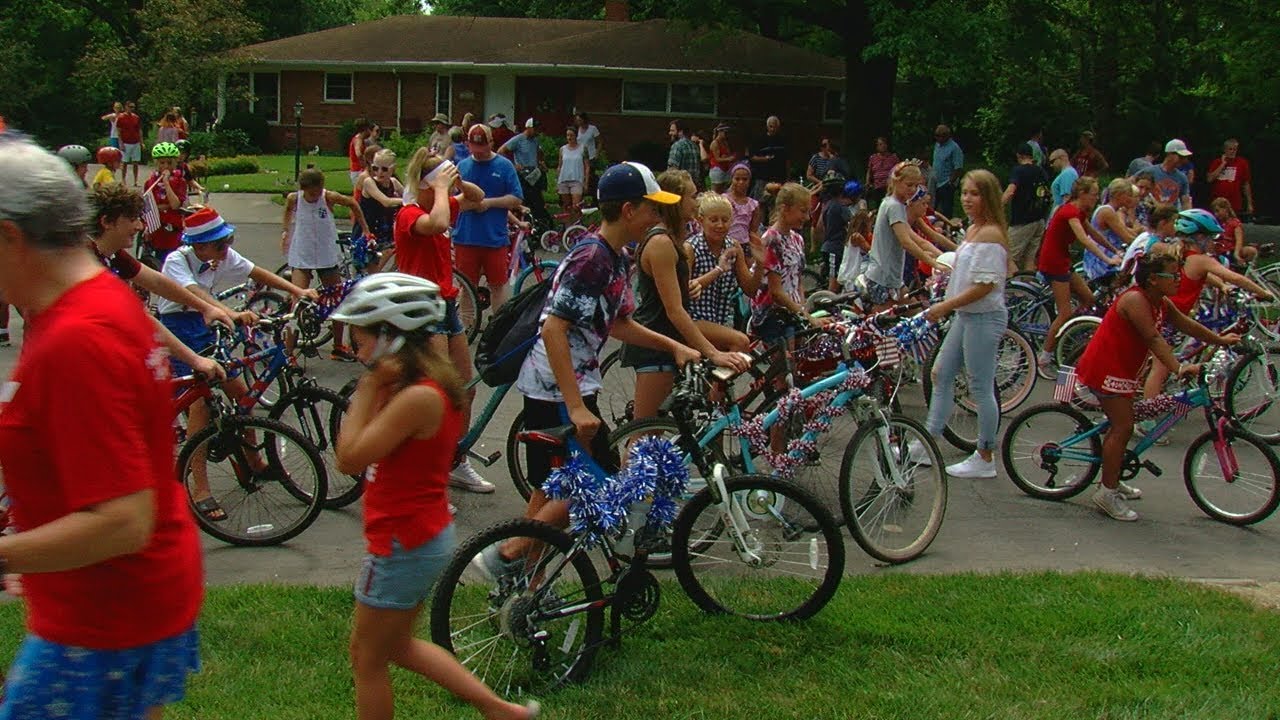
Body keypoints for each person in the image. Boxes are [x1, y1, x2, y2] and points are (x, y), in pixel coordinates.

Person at [0, 134, 204, 718]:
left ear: (10, 237)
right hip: (125, 603)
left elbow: (120, 522)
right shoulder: (93, 302)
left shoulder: (77, 336)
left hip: (103, 621)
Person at [329, 274, 540, 720]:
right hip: (417, 534)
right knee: (398, 646)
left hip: (403, 541)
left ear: (391, 338)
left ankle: (498, 708)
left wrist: (368, 386)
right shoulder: (419, 387)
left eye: (362, 337)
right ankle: (499, 709)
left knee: (366, 658)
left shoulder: (418, 398)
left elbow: (348, 458)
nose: (355, 349)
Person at [478, 163, 699, 574]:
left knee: (551, 487)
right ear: (629, 210)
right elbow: (554, 330)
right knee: (596, 480)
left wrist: (676, 346)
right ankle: (506, 555)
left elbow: (618, 323)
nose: (658, 216)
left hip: (572, 383)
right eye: (653, 208)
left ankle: (525, 584)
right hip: (555, 388)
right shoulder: (592, 258)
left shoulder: (617, 257)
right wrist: (576, 406)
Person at [159, 207, 318, 519]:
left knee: (242, 394)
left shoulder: (219, 256)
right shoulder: (177, 261)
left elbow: (254, 271)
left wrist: (297, 290)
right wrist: (227, 312)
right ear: (198, 246)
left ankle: (254, 462)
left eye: (227, 242)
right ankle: (199, 486)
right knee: (200, 406)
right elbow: (193, 294)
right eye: (219, 244)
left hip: (205, 324)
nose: (226, 249)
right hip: (179, 328)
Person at [1075, 251, 1240, 521]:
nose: (1179, 279)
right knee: (1123, 426)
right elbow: (1153, 338)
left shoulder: (1159, 301)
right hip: (1105, 369)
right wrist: (1178, 367)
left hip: (1123, 371)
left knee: (1124, 421)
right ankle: (1106, 492)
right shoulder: (1135, 300)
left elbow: (1186, 324)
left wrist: (1219, 340)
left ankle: (1112, 475)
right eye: (1173, 275)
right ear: (1153, 279)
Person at [394, 150, 494, 494]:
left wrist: (456, 182)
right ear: (427, 183)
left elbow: (477, 199)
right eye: (441, 181)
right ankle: (424, 475)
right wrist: (439, 188)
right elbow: (436, 224)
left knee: (465, 387)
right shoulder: (409, 214)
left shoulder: (444, 202)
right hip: (421, 306)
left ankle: (455, 461)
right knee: (436, 393)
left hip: (447, 302)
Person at [622, 170, 748, 419]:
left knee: (659, 433)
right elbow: (674, 310)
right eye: (692, 196)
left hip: (669, 341)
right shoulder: (661, 243)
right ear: (674, 200)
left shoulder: (672, 240)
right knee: (646, 432)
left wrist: (691, 287)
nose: (696, 201)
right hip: (656, 343)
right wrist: (713, 352)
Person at [88, 183, 234, 374]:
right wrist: (195, 360)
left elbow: (157, 282)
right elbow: (137, 317)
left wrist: (206, 308)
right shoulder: (88, 261)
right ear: (106, 222)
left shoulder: (111, 253)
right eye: (132, 219)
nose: (140, 226)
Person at [924, 169, 1009, 478]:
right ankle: (928, 439)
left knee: (980, 386)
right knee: (940, 373)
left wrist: (945, 305)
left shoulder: (990, 235)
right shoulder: (975, 230)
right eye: (964, 193)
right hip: (967, 315)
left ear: (988, 198)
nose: (967, 199)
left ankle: (985, 456)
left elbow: (985, 285)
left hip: (983, 317)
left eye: (974, 193)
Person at [1140, 208, 1274, 401]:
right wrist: (1263, 292)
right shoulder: (1200, 259)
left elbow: (1200, 275)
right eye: (1211, 237)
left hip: (1165, 313)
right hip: (1170, 318)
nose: (1214, 242)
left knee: (1164, 360)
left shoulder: (1179, 253)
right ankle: (1147, 415)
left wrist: (1221, 286)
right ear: (1199, 237)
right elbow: (1235, 277)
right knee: (1160, 369)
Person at [1036, 176, 1122, 371]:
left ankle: (1069, 330)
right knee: (1065, 311)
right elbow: (1084, 239)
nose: (1096, 198)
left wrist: (1114, 250)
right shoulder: (1070, 212)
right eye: (1093, 194)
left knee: (1089, 300)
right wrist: (1107, 259)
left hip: (1064, 262)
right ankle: (1045, 356)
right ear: (1082, 194)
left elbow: (1094, 234)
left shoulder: (1080, 213)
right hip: (1054, 263)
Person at [282, 168, 368, 361]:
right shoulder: (294, 199)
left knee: (336, 300)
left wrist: (364, 229)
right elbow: (287, 212)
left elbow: (353, 204)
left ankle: (338, 346)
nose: (313, 196)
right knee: (297, 303)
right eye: (309, 193)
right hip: (302, 253)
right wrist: (285, 231)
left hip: (326, 252)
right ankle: (288, 354)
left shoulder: (328, 197)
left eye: (315, 192)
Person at [455, 124, 524, 312]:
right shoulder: (462, 166)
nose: (477, 152)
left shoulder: (504, 166)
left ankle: (496, 328)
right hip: (466, 237)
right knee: (467, 287)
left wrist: (489, 203)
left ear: (491, 143)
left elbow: (516, 197)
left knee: (497, 286)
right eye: (473, 147)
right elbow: (452, 201)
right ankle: (467, 327)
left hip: (494, 238)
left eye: (482, 147)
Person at [860, 161, 941, 309]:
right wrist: (934, 263)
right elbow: (906, 242)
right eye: (909, 185)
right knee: (883, 327)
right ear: (896, 182)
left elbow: (916, 239)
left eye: (916, 186)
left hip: (892, 279)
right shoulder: (894, 206)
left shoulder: (894, 204)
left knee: (917, 317)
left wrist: (939, 256)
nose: (913, 189)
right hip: (883, 279)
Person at [687, 192, 761, 351]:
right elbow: (685, 290)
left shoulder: (733, 247)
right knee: (741, 342)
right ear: (701, 220)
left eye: (725, 220)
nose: (720, 225)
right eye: (713, 220)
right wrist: (718, 270)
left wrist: (761, 263)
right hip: (691, 320)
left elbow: (750, 290)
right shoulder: (691, 248)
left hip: (719, 321)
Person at [1002, 142, 1051, 273]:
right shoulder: (1041, 171)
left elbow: (1011, 191)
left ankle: (1011, 289)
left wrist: (997, 205)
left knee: (1008, 258)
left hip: (1022, 221)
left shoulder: (1019, 170)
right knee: (1029, 258)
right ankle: (1028, 288)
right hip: (1039, 219)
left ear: (1019, 156)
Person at [1083, 178, 1141, 288]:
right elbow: (1127, 238)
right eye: (1128, 195)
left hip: (1108, 256)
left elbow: (1129, 233)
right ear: (1119, 195)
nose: (1131, 199)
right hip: (1101, 261)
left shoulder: (1113, 211)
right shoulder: (1107, 212)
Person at [357, 148, 404, 271]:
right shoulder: (369, 182)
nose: (379, 172)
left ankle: (389, 275)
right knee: (373, 274)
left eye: (384, 169)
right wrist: (407, 201)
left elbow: (408, 194)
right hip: (369, 231)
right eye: (375, 168)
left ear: (393, 169)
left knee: (401, 250)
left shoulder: (393, 182)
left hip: (385, 230)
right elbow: (386, 201)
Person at [501, 118, 549, 227]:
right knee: (524, 198)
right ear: (528, 128)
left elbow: (538, 153)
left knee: (537, 199)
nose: (537, 131)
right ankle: (521, 221)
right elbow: (501, 150)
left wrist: (540, 162)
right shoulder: (518, 139)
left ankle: (538, 221)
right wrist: (513, 165)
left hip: (534, 173)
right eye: (535, 129)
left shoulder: (535, 141)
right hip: (523, 174)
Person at [144, 141, 189, 259]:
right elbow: (148, 207)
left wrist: (166, 183)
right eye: (162, 163)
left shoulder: (180, 181)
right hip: (157, 229)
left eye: (169, 163)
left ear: (175, 163)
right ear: (156, 163)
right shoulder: (150, 182)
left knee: (174, 258)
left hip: (174, 228)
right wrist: (147, 227)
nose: (165, 166)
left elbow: (175, 205)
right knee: (158, 258)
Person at [822, 180, 863, 291]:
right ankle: (829, 303)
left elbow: (819, 226)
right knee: (834, 282)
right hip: (835, 247)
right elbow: (853, 224)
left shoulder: (828, 205)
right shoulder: (840, 207)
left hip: (829, 245)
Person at [1207, 138, 1255, 218]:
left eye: (1235, 149)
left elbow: (1246, 184)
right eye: (1230, 149)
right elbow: (1209, 179)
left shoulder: (1242, 163)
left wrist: (1249, 204)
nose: (1232, 151)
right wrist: (1222, 164)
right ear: (1225, 150)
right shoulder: (1216, 162)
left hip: (1234, 202)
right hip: (1217, 201)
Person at [747, 116, 787, 200]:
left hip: (778, 177)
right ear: (767, 126)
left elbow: (787, 160)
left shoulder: (783, 140)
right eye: (771, 126)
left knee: (776, 202)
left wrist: (787, 176)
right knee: (760, 202)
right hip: (762, 176)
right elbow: (752, 157)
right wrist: (765, 159)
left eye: (775, 127)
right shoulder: (759, 140)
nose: (773, 129)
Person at [557, 126, 589, 225]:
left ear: (576, 136)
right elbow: (560, 166)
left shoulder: (583, 148)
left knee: (576, 206)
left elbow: (587, 166)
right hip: (564, 179)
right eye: (567, 135)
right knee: (566, 206)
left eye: (571, 135)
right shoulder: (562, 149)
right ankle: (567, 227)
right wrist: (557, 181)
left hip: (577, 179)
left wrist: (586, 181)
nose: (569, 137)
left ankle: (577, 225)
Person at [930, 125, 964, 218]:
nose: (937, 138)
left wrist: (950, 181)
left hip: (946, 183)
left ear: (946, 136)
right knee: (933, 207)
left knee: (946, 209)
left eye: (940, 136)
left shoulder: (954, 148)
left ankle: (947, 227)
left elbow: (958, 167)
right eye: (936, 135)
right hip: (935, 181)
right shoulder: (937, 145)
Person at [1148, 139, 1193, 210]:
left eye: (1185, 157)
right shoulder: (1150, 171)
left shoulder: (1182, 178)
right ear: (1169, 154)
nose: (1184, 160)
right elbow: (1131, 184)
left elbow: (1185, 202)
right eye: (1181, 157)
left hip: (1171, 218)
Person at [723, 162, 761, 245]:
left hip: (745, 243)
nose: (741, 182)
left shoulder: (753, 205)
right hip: (726, 242)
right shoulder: (724, 200)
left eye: (744, 179)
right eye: (737, 179)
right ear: (732, 179)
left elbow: (753, 230)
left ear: (749, 181)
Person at [1211, 197, 1256, 265]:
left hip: (1232, 251)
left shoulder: (1235, 223)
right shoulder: (1216, 223)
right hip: (1219, 252)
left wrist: (1236, 254)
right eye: (1214, 212)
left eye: (1217, 211)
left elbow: (1239, 241)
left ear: (1225, 209)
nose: (1216, 214)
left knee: (1251, 250)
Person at [865, 136, 899, 207]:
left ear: (886, 145)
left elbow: (898, 170)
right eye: (880, 144)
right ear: (877, 146)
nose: (882, 146)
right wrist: (868, 182)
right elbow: (869, 171)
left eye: (883, 144)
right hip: (877, 186)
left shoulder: (893, 157)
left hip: (889, 186)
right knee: (879, 205)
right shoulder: (873, 158)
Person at [666, 119, 701, 188]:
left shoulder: (677, 146)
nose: (670, 133)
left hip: (680, 186)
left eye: (672, 131)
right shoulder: (694, 146)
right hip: (693, 186)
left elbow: (672, 170)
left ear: (681, 132)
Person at [116, 101, 144, 186]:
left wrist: (141, 142)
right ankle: (123, 180)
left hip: (135, 142)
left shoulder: (136, 117)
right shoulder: (121, 117)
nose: (132, 109)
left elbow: (139, 130)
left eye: (133, 107)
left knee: (135, 162)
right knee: (125, 162)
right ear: (126, 107)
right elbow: (119, 131)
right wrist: (120, 143)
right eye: (130, 107)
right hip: (126, 142)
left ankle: (135, 180)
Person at [707, 124, 735, 192]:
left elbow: (727, 153)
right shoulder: (715, 143)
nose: (726, 134)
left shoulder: (725, 142)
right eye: (725, 132)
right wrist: (728, 158)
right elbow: (717, 159)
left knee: (724, 190)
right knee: (715, 190)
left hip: (725, 168)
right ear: (720, 132)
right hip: (717, 169)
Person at [348, 118, 373, 187]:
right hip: (358, 171)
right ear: (365, 129)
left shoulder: (360, 139)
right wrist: (365, 165)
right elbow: (358, 154)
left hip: (357, 171)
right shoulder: (358, 140)